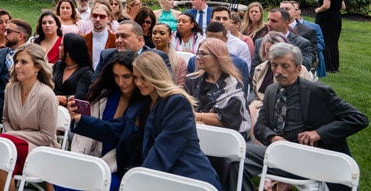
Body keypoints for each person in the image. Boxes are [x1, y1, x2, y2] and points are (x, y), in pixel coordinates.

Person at [244, 43, 368, 191]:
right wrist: (273, 138)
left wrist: (319, 133)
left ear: (298, 69)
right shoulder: (271, 90)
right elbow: (260, 127)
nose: (278, 71)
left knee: (242, 151)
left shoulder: (317, 92)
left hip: (311, 159)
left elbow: (358, 118)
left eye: (285, 66)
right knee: (233, 158)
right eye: (274, 65)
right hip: (281, 155)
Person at [0, 44, 59, 191]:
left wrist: (10, 137)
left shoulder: (46, 95)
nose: (17, 66)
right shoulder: (11, 88)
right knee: (3, 163)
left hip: (39, 150)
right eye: (16, 62)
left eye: (24, 62)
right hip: (9, 147)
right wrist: (9, 139)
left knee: (0, 148)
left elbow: (47, 136)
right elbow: (5, 120)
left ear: (37, 67)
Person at [131, 52, 223, 189]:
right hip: (162, 178)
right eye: (135, 77)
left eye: (143, 77)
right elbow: (119, 127)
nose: (138, 83)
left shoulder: (177, 102)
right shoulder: (146, 102)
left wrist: (139, 182)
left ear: (156, 75)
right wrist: (86, 122)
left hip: (190, 179)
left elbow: (164, 151)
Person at [69, 51, 147, 190]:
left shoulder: (144, 103)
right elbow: (83, 137)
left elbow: (117, 130)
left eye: (126, 77)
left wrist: (82, 120)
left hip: (121, 165)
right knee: (66, 181)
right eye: (116, 76)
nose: (120, 82)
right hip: (93, 157)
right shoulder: (104, 95)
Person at [184, 38, 250, 191]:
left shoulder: (232, 85)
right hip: (196, 134)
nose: (197, 57)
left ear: (217, 57)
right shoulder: (192, 80)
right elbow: (184, 108)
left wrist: (197, 117)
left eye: (203, 54)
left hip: (225, 139)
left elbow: (227, 120)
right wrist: (200, 118)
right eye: (198, 53)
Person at [248, 32, 313, 126]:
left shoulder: (299, 70)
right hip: (261, 105)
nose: (273, 53)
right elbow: (256, 92)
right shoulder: (260, 69)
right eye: (268, 50)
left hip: (288, 106)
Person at [0, 18, 32, 114]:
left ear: (20, 36)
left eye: (9, 31)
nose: (4, 34)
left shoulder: (33, 58)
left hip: (23, 103)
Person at [52, 32, 94, 107]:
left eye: (61, 45)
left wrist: (59, 98)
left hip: (71, 112)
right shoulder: (58, 65)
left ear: (68, 52)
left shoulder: (86, 73)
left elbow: (79, 97)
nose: (58, 48)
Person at [314, 0, 344, 73]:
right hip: (337, 18)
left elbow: (326, 6)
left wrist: (318, 10)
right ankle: (335, 66)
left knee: (325, 41)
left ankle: (328, 66)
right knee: (334, 42)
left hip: (326, 19)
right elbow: (343, 6)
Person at [84, 1, 117, 69]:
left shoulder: (115, 40)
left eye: (102, 16)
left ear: (109, 19)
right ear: (91, 17)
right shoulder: (84, 40)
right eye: (95, 16)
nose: (98, 19)